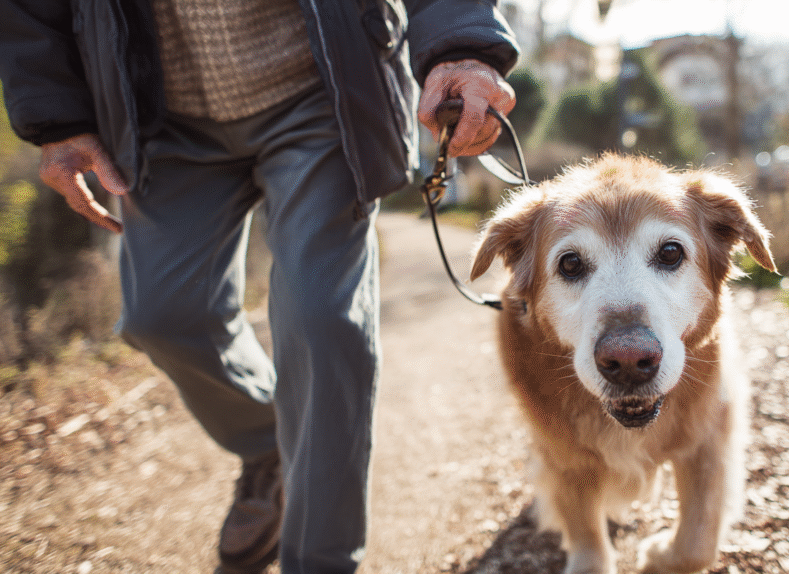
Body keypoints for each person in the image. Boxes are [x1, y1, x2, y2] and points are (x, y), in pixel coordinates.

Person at [0, 1, 518, 573]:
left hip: (324, 91)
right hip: (158, 109)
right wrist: (57, 115)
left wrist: (463, 48)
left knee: (323, 323)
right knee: (162, 317)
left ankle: (322, 561)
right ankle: (266, 443)